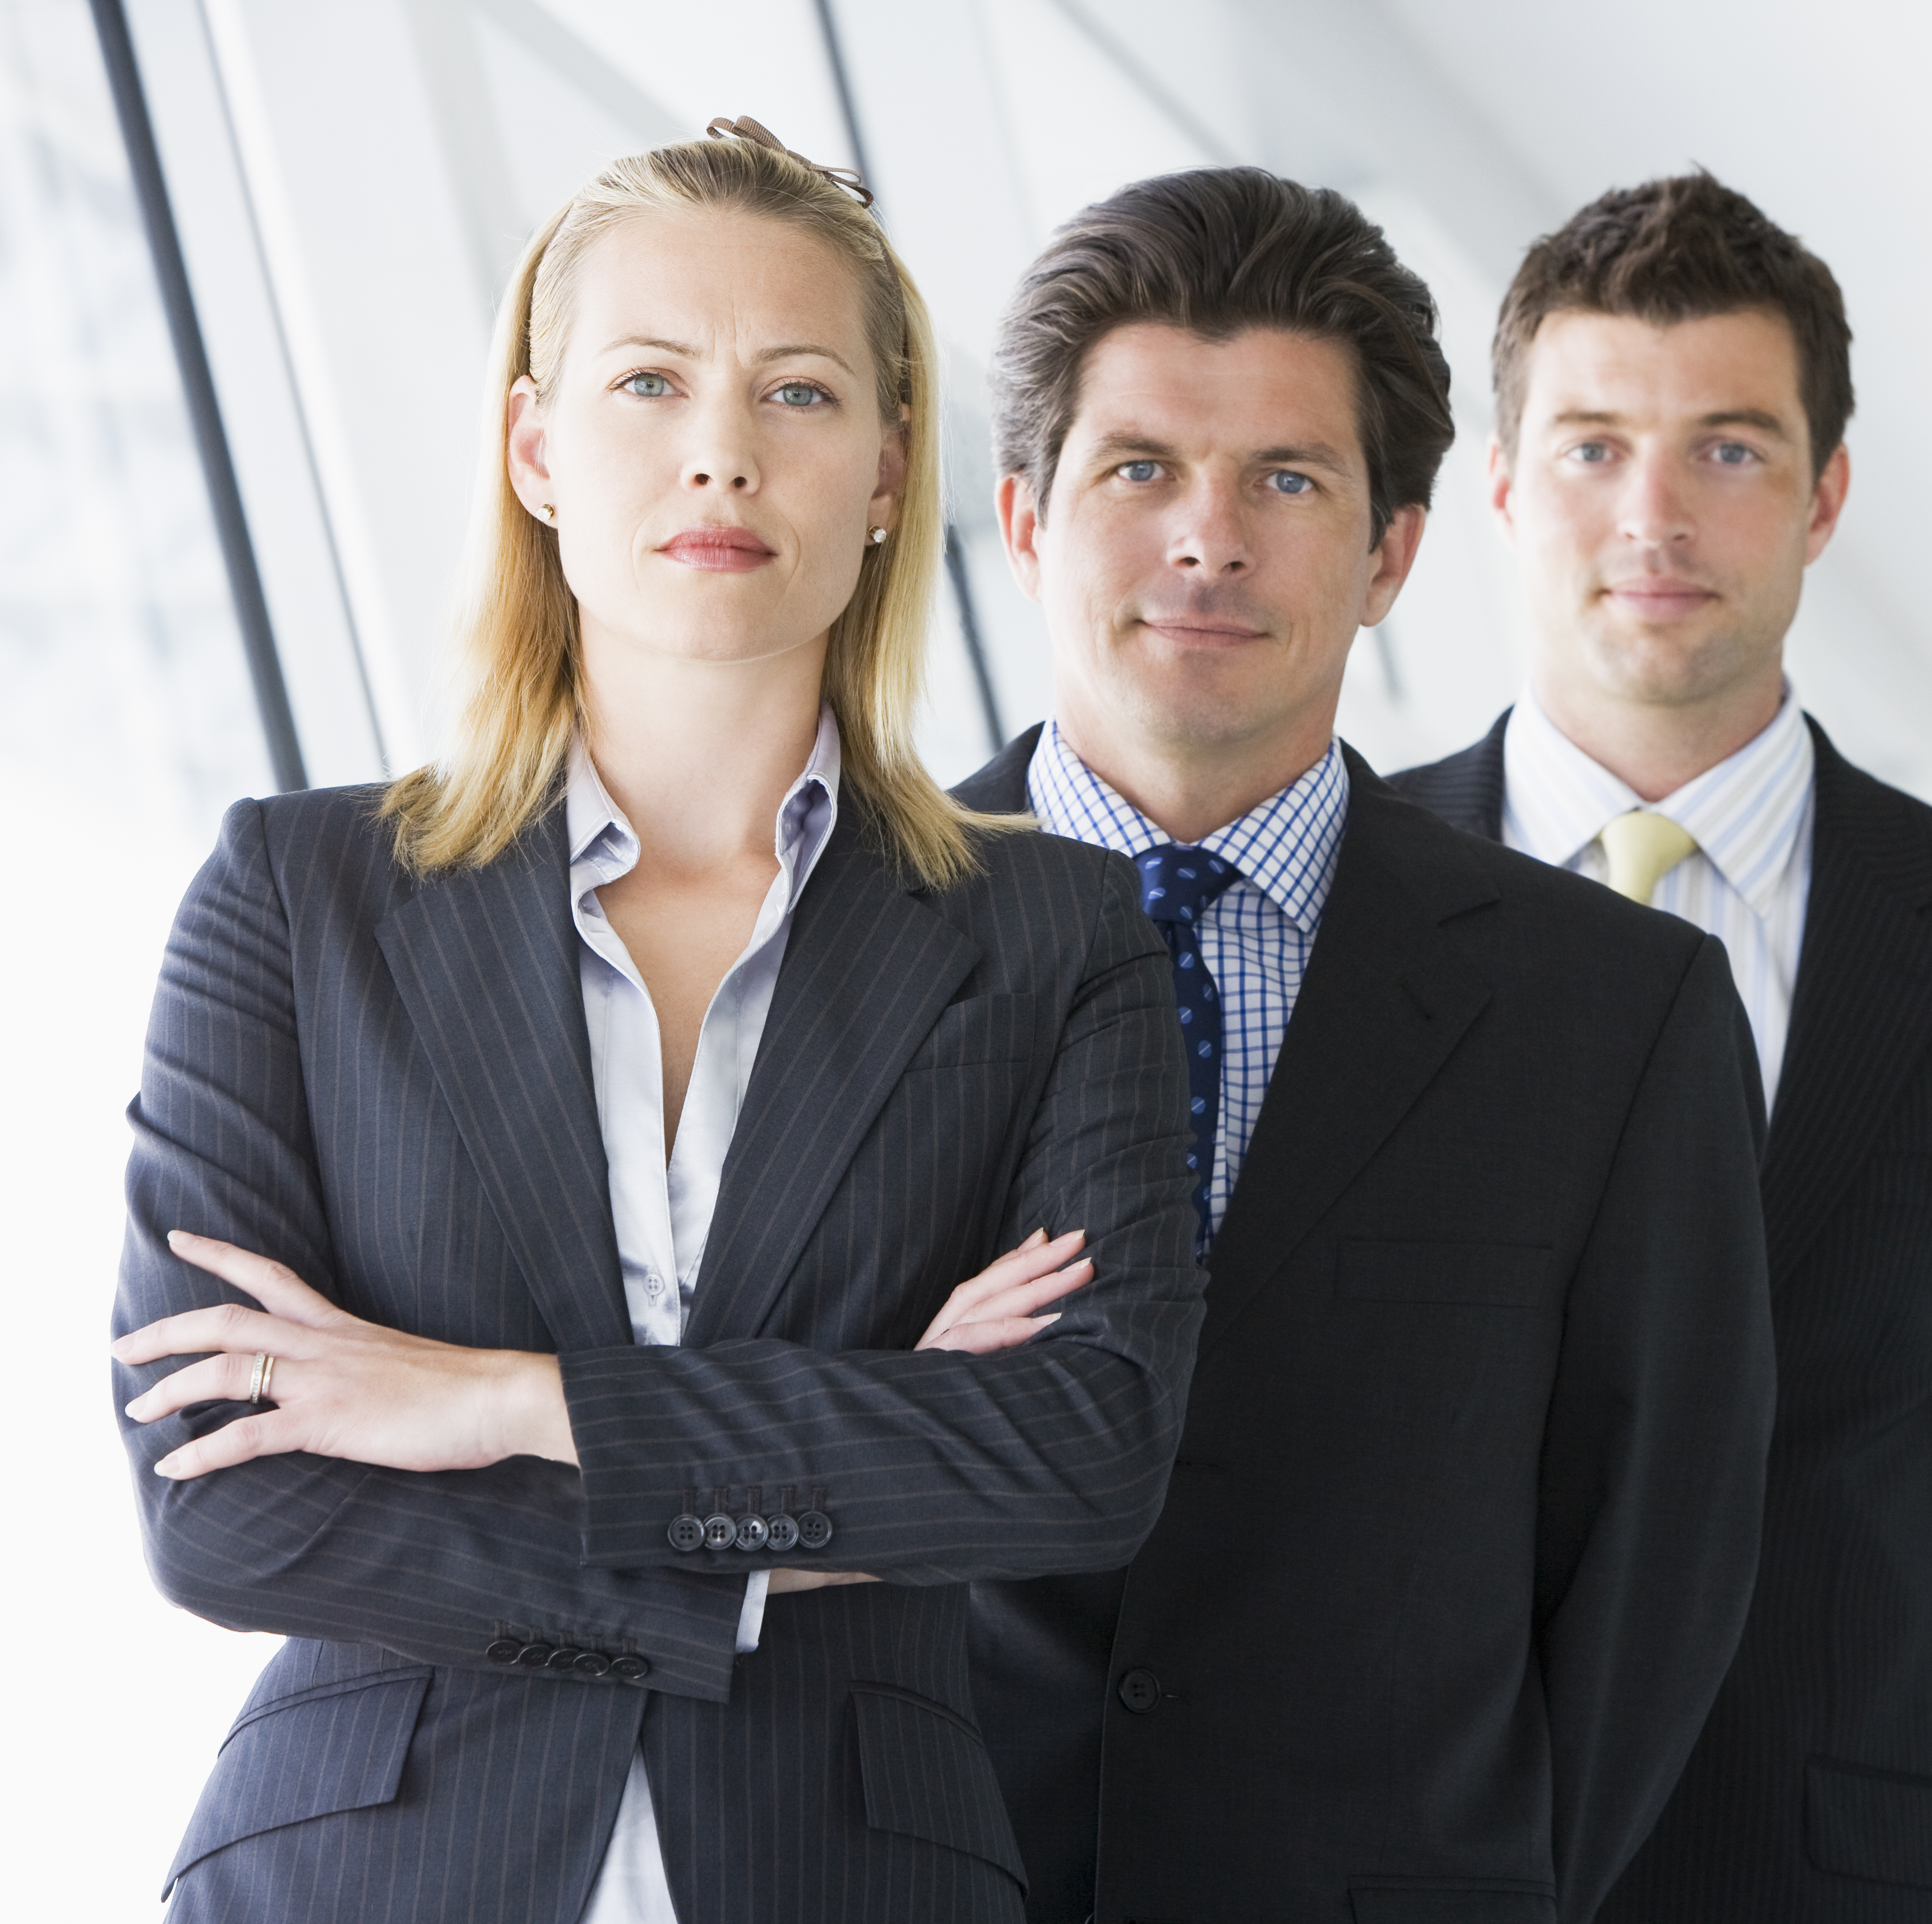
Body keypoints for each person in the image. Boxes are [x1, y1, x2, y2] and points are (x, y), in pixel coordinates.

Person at [109, 124, 1206, 1924]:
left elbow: (1078, 1460)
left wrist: (498, 1404)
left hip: (854, 1873)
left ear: (884, 471)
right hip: (369, 1867)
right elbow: (225, 1502)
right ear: (537, 449)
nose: (720, 449)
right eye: (648, 383)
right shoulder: (299, 898)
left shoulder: (1053, 933)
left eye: (796, 390)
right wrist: (833, 1496)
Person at [956, 165, 1779, 1924]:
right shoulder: (810, 945)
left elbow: (1658, 1570)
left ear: (1395, 551)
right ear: (1023, 517)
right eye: (1139, 472)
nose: (1208, 538)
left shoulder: (1617, 1020)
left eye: (1287, 479)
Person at [1390, 172, 1932, 1922]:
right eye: (1592, 448)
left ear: (1822, 500)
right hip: (1402, 1860)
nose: (1651, 515)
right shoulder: (1343, 900)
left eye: (1727, 451)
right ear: (1504, 489)